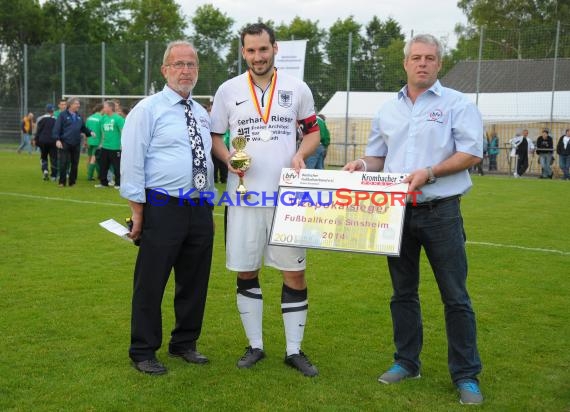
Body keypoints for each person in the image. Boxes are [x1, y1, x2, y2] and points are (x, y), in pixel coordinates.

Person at [344, 34, 484, 405]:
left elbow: (471, 153)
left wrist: (430, 172)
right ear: (405, 63)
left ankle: (466, 375)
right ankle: (407, 361)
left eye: (430, 58)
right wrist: (361, 165)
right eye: (416, 57)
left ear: (439, 63)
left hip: (441, 211)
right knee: (402, 293)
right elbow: (377, 157)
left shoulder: (457, 103)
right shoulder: (387, 109)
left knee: (455, 296)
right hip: (396, 213)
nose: (423, 63)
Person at [209, 23, 321, 377]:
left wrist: (301, 153)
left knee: (295, 272)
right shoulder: (227, 91)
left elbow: (313, 132)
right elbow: (215, 137)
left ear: (275, 48)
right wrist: (230, 159)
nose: (258, 57)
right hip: (244, 196)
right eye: (251, 51)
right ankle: (255, 345)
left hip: (288, 197)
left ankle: (294, 350)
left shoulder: (296, 88)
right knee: (246, 268)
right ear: (243, 52)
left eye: (263, 49)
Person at [120, 40, 215, 375]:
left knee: (194, 281)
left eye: (191, 64)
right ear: (164, 70)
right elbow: (132, 162)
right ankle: (143, 350)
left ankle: (184, 343)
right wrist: (138, 212)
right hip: (163, 206)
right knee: (151, 281)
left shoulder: (202, 113)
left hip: (200, 206)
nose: (185, 70)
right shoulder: (148, 110)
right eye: (178, 64)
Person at [51, 97, 94, 187]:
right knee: (63, 162)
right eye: (76, 103)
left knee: (75, 163)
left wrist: (90, 132)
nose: (78, 105)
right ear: (70, 105)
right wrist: (57, 140)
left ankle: (72, 182)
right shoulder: (62, 115)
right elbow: (56, 128)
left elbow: (83, 128)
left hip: (76, 143)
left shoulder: (78, 116)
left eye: (78, 103)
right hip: (64, 142)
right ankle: (62, 182)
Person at [96, 101, 124, 188]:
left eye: (105, 107)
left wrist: (122, 145)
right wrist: (101, 143)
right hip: (105, 146)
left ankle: (118, 183)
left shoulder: (118, 119)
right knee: (103, 165)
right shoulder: (103, 118)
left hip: (115, 147)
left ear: (110, 108)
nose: (103, 109)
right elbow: (102, 132)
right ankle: (103, 183)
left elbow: (123, 131)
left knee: (117, 166)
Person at [35, 104, 57, 181]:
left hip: (43, 141)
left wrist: (36, 141)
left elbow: (38, 131)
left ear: (46, 110)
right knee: (54, 158)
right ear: (53, 111)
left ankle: (45, 170)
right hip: (53, 141)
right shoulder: (56, 119)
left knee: (43, 157)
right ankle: (54, 176)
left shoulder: (40, 119)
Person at [85, 103, 103, 181]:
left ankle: (92, 174)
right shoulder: (101, 118)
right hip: (97, 141)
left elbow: (86, 130)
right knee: (95, 158)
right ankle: (90, 177)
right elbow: (102, 131)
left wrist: (86, 141)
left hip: (89, 140)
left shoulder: (89, 118)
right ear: (102, 109)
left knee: (89, 158)